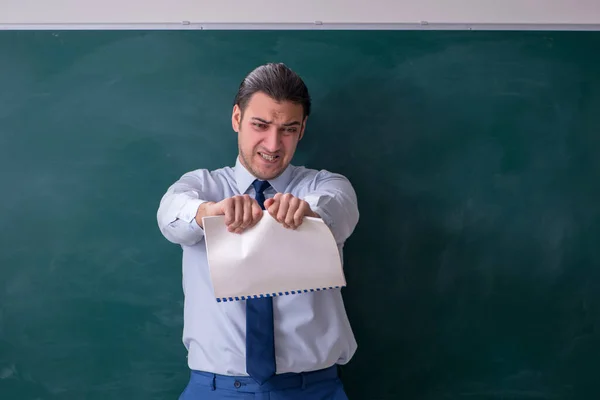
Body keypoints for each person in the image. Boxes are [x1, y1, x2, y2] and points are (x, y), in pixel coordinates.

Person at [156, 62, 359, 399]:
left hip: (313, 390)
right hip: (215, 389)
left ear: (303, 129)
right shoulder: (202, 186)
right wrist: (210, 212)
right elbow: (170, 217)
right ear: (237, 118)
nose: (273, 143)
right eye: (260, 125)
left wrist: (308, 211)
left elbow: (338, 208)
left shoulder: (323, 185)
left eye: (288, 129)